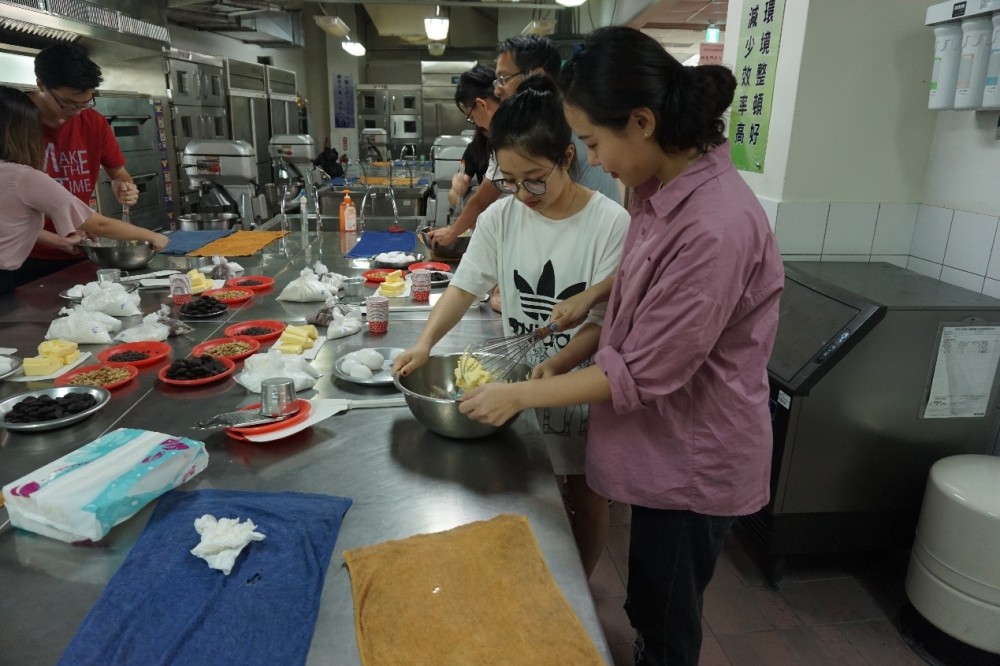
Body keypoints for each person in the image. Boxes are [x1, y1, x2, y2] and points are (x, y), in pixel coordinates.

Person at [456, 27, 785, 666]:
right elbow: (650, 269)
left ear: (641, 121)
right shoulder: (664, 188)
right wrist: (596, 295)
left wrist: (521, 391)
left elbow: (640, 372)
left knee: (665, 618)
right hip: (666, 447)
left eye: (596, 142)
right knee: (649, 595)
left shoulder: (715, 225)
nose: (595, 159)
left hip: (695, 458)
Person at [393, 76, 630, 578]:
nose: (523, 194)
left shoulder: (611, 224)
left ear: (567, 158)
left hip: (579, 391)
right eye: (510, 179)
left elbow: (601, 325)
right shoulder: (502, 216)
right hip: (516, 385)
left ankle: (578, 591)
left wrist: (555, 365)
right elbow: (463, 287)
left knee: (584, 498)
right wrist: (424, 342)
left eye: (535, 178)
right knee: (531, 493)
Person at [425, 34, 621, 250]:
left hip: (588, 247)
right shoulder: (538, 124)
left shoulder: (553, 128)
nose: (498, 90)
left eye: (503, 79)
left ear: (535, 75)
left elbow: (484, 200)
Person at [0, 86, 167, 293]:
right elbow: (99, 224)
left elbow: (9, 226)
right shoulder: (23, 177)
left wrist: (57, 240)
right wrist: (154, 236)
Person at [14, 44, 140, 287]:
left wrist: (124, 186)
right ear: (41, 85)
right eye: (68, 103)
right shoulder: (14, 122)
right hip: (24, 256)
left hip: (81, 249)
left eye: (86, 102)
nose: (77, 111)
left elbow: (119, 173)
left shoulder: (93, 123)